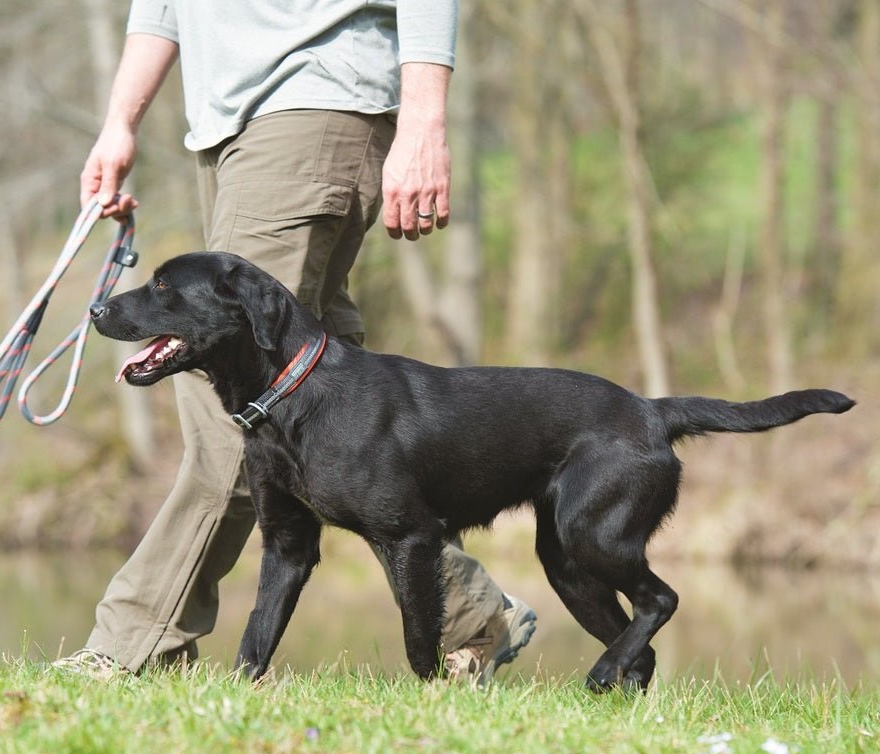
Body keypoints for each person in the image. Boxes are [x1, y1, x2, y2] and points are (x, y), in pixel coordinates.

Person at [53, 0, 535, 685]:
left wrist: (426, 123)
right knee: (334, 399)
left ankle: (133, 642)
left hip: (314, 103)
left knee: (242, 398)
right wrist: (118, 122)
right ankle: (470, 615)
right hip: (224, 126)